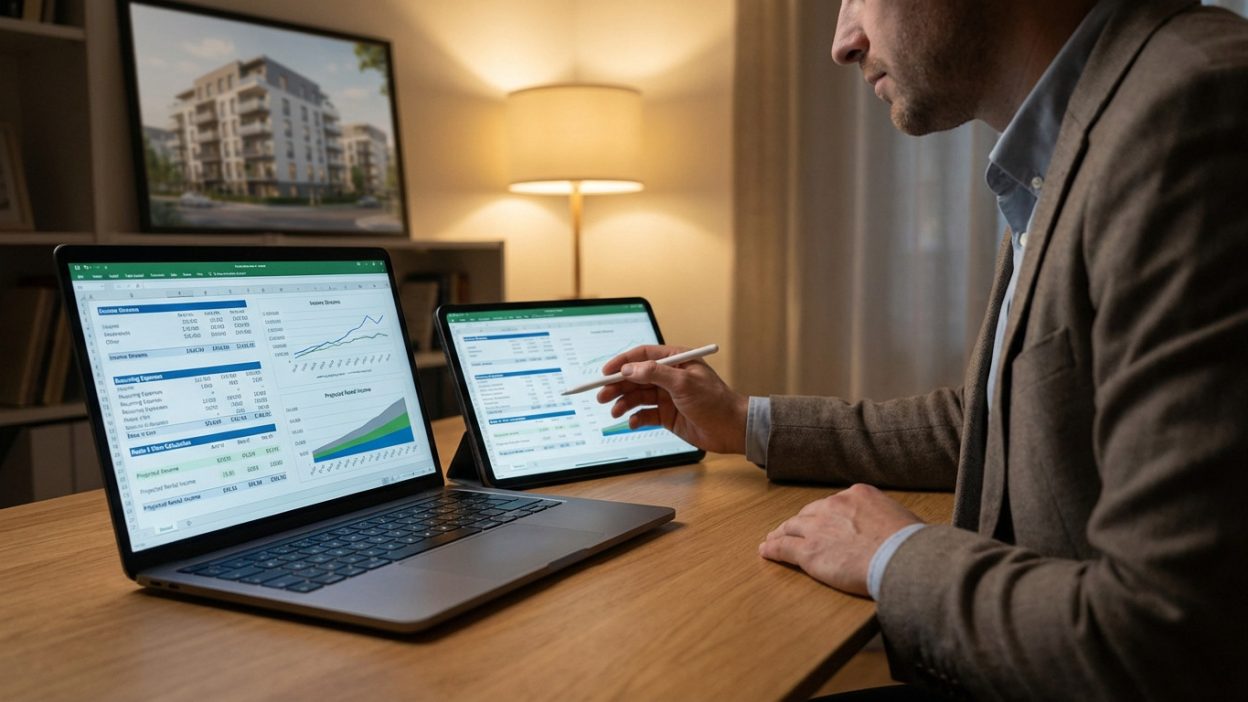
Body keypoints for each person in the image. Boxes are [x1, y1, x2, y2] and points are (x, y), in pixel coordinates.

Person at [597, 0, 1248, 698]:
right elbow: (1002, 419)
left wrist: (894, 553)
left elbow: (1166, 637)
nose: (843, 42)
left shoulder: (1189, 108)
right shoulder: (1083, 128)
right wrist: (743, 419)